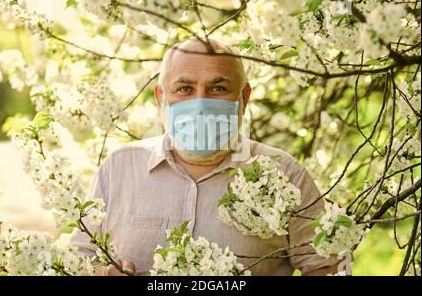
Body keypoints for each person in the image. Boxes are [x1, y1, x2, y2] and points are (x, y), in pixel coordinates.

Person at [69, 38, 340, 276]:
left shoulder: (285, 175)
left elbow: (327, 267)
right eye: (185, 89)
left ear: (244, 97)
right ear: (161, 97)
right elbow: (79, 262)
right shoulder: (119, 168)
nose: (199, 104)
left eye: (218, 89)